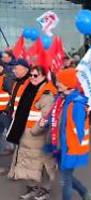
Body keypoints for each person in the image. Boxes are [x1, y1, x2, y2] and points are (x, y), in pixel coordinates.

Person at [7, 65, 57, 200]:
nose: (32, 78)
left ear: (43, 76)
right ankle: (33, 188)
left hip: (37, 136)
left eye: (36, 75)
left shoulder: (48, 92)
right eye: (31, 75)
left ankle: (45, 190)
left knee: (43, 164)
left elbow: (45, 117)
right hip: (24, 133)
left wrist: (34, 131)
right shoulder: (29, 87)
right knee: (27, 163)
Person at [55, 68, 91, 200]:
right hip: (65, 146)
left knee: (65, 180)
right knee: (66, 176)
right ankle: (85, 193)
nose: (57, 83)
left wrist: (70, 150)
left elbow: (79, 131)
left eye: (60, 81)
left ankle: (84, 193)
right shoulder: (67, 99)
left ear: (68, 83)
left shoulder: (75, 104)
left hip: (71, 148)